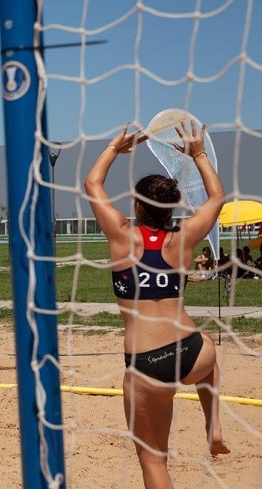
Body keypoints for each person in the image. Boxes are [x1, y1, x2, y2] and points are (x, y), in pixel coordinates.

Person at [84, 120, 229, 488]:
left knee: (153, 461)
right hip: (193, 351)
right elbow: (216, 198)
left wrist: (115, 149)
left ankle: (210, 429)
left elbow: (92, 184)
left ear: (137, 205)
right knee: (209, 356)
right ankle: (214, 426)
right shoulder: (184, 237)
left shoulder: (121, 233)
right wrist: (198, 154)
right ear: (170, 209)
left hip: (147, 365)